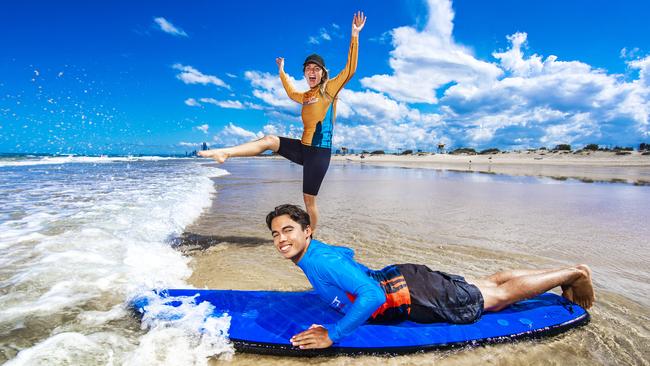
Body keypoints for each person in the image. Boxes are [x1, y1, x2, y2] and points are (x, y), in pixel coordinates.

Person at [265, 204, 595, 350]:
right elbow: (347, 253)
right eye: (275, 234)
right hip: (405, 278)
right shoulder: (317, 253)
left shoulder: (319, 262)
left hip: (413, 296)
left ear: (307, 230)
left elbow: (374, 296)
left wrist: (333, 334)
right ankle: (565, 273)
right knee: (489, 283)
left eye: (288, 230)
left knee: (496, 298)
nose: (281, 239)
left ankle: (573, 273)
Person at [199, 12, 367, 232]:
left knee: (309, 201)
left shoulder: (329, 90)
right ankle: (225, 152)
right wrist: (281, 72)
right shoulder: (306, 96)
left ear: (323, 73)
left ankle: (309, 237)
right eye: (308, 69)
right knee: (269, 139)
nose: (311, 71)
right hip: (302, 148)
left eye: (316, 68)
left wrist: (354, 35)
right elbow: (290, 92)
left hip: (319, 153)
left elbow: (350, 70)